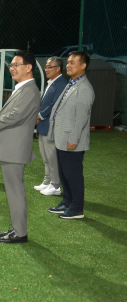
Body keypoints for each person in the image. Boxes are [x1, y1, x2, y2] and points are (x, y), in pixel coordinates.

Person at [0, 50, 40, 243]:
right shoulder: (23, 88)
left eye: (16, 65)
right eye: (11, 65)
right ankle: (17, 229)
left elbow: (15, 115)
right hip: (12, 148)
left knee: (15, 192)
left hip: (14, 149)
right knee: (13, 191)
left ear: (29, 67)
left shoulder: (30, 90)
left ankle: (20, 233)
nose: (12, 69)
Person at [47, 51, 95, 220]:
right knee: (65, 174)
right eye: (68, 62)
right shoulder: (72, 84)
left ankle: (76, 208)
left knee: (73, 175)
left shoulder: (84, 89)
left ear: (83, 66)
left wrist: (73, 140)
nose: (68, 65)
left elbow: (81, 118)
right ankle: (67, 202)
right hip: (62, 138)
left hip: (72, 141)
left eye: (73, 62)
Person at [34, 57, 67, 197]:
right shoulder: (51, 83)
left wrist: (39, 115)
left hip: (51, 126)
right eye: (46, 67)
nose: (46, 69)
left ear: (58, 68)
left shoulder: (62, 84)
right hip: (43, 126)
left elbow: (55, 104)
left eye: (49, 67)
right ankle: (47, 181)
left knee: (52, 157)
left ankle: (55, 185)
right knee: (45, 156)